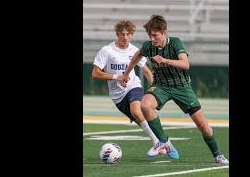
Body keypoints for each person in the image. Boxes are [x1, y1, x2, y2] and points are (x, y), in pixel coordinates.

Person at [119, 14, 229, 164]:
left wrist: (165, 60)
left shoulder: (175, 43)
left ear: (164, 33)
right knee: (145, 105)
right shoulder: (148, 46)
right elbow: (137, 56)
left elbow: (185, 64)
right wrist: (126, 74)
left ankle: (217, 154)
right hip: (161, 86)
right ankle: (163, 141)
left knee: (202, 125)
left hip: (182, 87)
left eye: (155, 35)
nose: (152, 39)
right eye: (150, 35)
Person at [91, 20, 166, 155]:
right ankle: (163, 141)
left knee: (136, 111)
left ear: (132, 35)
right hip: (117, 96)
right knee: (140, 119)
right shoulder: (107, 50)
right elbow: (95, 73)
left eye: (128, 34)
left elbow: (147, 71)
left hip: (133, 86)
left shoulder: (135, 50)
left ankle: (157, 142)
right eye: (122, 34)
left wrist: (156, 90)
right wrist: (116, 77)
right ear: (117, 34)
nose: (125, 37)